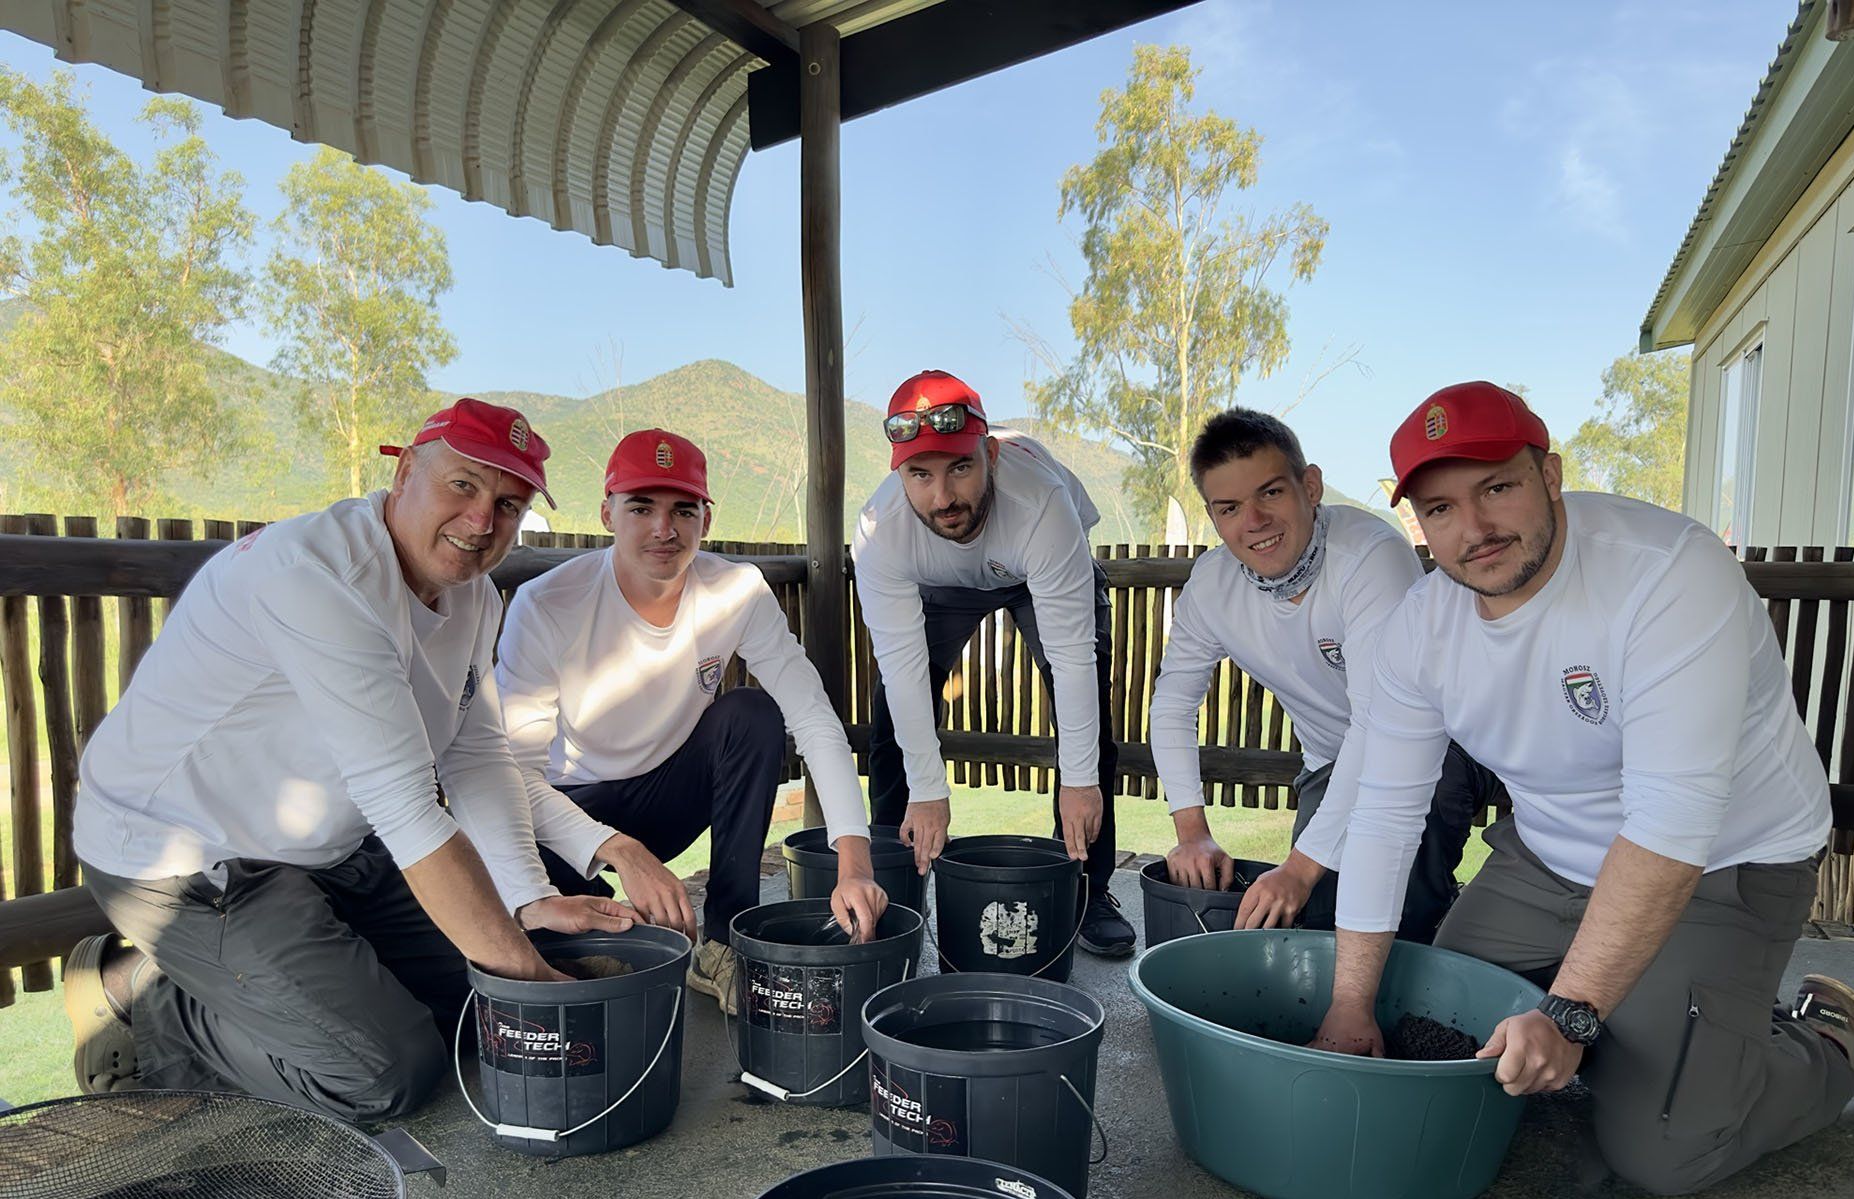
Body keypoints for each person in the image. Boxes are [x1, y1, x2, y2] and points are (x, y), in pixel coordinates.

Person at [1317, 380, 1854, 1195]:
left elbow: (1672, 822)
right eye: (1441, 507)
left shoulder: (1667, 573)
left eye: (1497, 487)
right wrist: (1351, 1005)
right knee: (1438, 1042)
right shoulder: (1420, 627)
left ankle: (1826, 1046)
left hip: (1723, 863)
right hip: (1546, 856)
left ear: (1550, 475)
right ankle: (1675, 1026)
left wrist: (1569, 1014)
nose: (1476, 529)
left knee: (1661, 1154)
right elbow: (1387, 810)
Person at [66, 399, 634, 1121]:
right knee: (386, 1072)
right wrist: (530, 974)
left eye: (509, 503)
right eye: (462, 485)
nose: (483, 520)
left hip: (329, 847)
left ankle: (283, 980)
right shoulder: (318, 574)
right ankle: (144, 1003)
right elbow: (405, 806)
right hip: (186, 858)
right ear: (402, 474)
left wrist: (526, 903)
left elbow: (477, 754)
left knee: (475, 1006)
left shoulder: (474, 598)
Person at [495, 429, 887, 1015]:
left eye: (683, 509)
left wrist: (854, 864)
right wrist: (622, 853)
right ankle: (591, 925)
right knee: (587, 948)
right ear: (607, 513)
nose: (664, 529)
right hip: (566, 814)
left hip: (668, 798)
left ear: (705, 516)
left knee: (750, 713)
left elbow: (813, 715)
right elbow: (512, 776)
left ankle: (724, 946)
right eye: (641, 508)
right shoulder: (547, 604)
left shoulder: (735, 590)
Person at [1150, 408, 1492, 941]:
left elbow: (1381, 722)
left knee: (1392, 919)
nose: (1254, 521)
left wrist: (1299, 867)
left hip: (1442, 746)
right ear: (1214, 518)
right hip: (1332, 761)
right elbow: (1172, 705)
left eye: (1271, 493)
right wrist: (1191, 830)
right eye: (1230, 508)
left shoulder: (1370, 557)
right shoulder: (1212, 586)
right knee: (1313, 923)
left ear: (1310, 487)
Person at [854, 370, 1135, 957]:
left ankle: (1087, 889)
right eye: (919, 475)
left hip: (1038, 575)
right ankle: (890, 885)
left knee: (1086, 724)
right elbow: (903, 666)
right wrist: (929, 790)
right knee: (890, 718)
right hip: (939, 586)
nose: (943, 497)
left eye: (960, 467)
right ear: (897, 472)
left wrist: (1079, 783)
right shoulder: (881, 532)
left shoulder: (1042, 503)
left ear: (991, 453)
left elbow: (1072, 661)